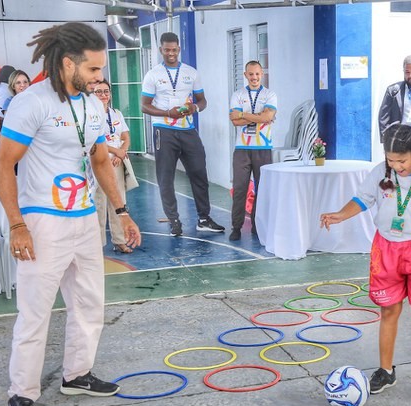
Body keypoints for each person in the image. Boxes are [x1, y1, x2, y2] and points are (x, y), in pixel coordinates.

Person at [0, 22, 142, 406]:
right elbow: (3, 164)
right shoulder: (31, 103)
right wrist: (17, 225)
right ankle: (21, 395)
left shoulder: (92, 105)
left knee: (89, 303)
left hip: (84, 219)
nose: (99, 77)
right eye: (92, 69)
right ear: (67, 64)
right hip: (42, 221)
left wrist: (122, 210)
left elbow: (99, 159)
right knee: (35, 312)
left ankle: (77, 375)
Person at [320, 124, 411, 399]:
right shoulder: (380, 172)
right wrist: (340, 214)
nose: (396, 166)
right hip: (386, 249)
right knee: (389, 311)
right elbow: (362, 199)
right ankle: (385, 370)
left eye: (402, 161)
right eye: (391, 160)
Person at [141, 32, 224, 237]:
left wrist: (195, 107)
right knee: (166, 177)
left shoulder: (191, 73)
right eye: (167, 50)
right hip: (164, 130)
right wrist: (167, 113)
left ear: (179, 49)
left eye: (174, 50)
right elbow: (144, 106)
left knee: (199, 173)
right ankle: (174, 220)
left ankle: (204, 219)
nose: (171, 53)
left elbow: (202, 100)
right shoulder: (153, 75)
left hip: (187, 130)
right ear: (161, 50)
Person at [228, 61, 277, 241]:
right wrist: (259, 117)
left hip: (263, 148)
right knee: (240, 189)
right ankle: (236, 227)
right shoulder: (238, 95)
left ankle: (258, 226)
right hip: (242, 148)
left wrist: (243, 114)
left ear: (262, 74)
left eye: (257, 74)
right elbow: (235, 121)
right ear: (245, 75)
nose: (254, 77)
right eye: (251, 74)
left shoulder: (270, 94)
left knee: (262, 189)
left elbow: (268, 116)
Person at [93, 79, 134, 253]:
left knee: (119, 201)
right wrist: (115, 151)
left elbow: (126, 137)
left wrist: (121, 152)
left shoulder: (116, 113)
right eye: (98, 92)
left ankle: (119, 240)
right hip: (99, 163)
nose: (103, 95)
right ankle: (98, 244)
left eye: (106, 91)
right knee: (99, 203)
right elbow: (94, 141)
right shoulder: (90, 115)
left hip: (117, 162)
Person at [377, 55, 411, 141]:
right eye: (407, 72)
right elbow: (383, 118)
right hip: (400, 141)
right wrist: (387, 142)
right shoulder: (393, 91)